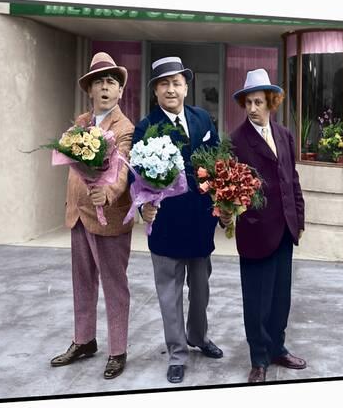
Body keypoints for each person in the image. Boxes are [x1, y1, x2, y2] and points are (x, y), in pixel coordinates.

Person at [133, 56, 222, 384]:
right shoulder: (146, 126)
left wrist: (223, 201)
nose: (171, 89)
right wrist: (143, 206)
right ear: (156, 91)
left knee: (200, 290)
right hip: (167, 224)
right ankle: (177, 353)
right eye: (164, 84)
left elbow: (218, 161)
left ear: (186, 86)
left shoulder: (202, 118)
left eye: (176, 82)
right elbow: (135, 176)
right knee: (169, 294)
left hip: (200, 223)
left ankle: (198, 336)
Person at [50, 52, 134, 380]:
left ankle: (118, 350)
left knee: (114, 285)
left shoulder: (125, 127)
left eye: (110, 82)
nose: (104, 87)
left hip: (108, 216)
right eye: (98, 81)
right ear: (90, 89)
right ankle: (84, 340)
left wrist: (108, 191)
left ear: (120, 91)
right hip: (78, 215)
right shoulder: (81, 123)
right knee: (82, 282)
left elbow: (123, 167)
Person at [221, 68, 306, 383]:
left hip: (285, 229)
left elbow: (292, 179)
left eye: (259, 102)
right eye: (248, 103)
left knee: (280, 297)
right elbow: (224, 190)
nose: (253, 108)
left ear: (271, 102)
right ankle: (258, 359)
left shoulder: (284, 135)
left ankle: (277, 349)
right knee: (256, 300)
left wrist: (298, 216)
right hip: (256, 231)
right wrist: (226, 214)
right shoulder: (236, 140)